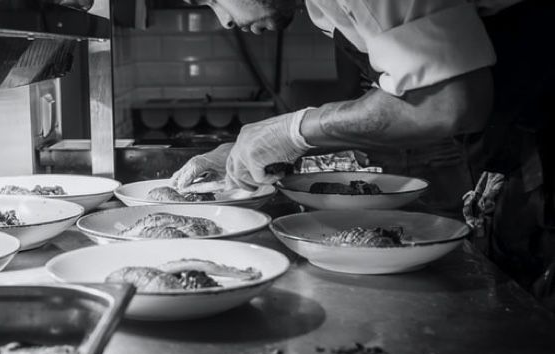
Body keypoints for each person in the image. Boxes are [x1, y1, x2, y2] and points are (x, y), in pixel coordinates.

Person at [171, 0, 555, 308]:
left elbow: (447, 103)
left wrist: (294, 131)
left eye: (211, 2)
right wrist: (258, 144)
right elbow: (398, 99)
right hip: (514, 147)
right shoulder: (324, 9)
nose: (222, 20)